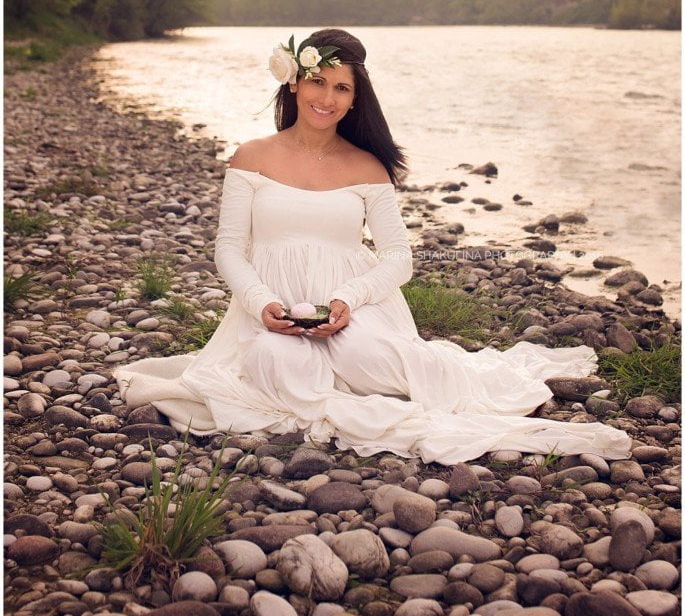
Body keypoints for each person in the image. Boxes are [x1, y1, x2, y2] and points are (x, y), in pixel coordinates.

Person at [115, 28, 630, 464]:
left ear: (355, 98)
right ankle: (321, 382)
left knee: (363, 354)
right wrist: (261, 304)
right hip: (272, 307)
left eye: (341, 88)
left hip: (355, 307)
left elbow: (398, 258)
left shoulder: (368, 167)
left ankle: (393, 377)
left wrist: (347, 301)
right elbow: (229, 248)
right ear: (294, 82)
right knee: (275, 361)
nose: (327, 97)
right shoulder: (251, 157)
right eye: (318, 81)